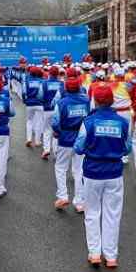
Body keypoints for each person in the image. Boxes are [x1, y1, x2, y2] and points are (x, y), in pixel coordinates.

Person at [74, 86, 131, 268]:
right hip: (114, 172)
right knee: (113, 214)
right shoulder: (123, 122)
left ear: (96, 102)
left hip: (92, 172)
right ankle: (111, 256)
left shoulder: (88, 122)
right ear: (112, 101)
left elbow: (78, 147)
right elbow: (128, 147)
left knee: (92, 213)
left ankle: (94, 253)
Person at [52, 75, 90, 211]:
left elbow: (55, 121)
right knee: (80, 170)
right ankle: (79, 202)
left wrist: (57, 132)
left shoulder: (61, 103)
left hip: (65, 139)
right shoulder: (87, 101)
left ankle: (62, 196)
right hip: (82, 138)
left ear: (66, 88)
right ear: (80, 87)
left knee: (61, 168)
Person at [23, 66, 45, 148]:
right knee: (39, 122)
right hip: (39, 104)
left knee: (29, 121)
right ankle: (37, 141)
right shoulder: (42, 81)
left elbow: (24, 92)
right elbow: (42, 94)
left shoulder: (27, 81)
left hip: (29, 104)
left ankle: (28, 139)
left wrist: (25, 101)